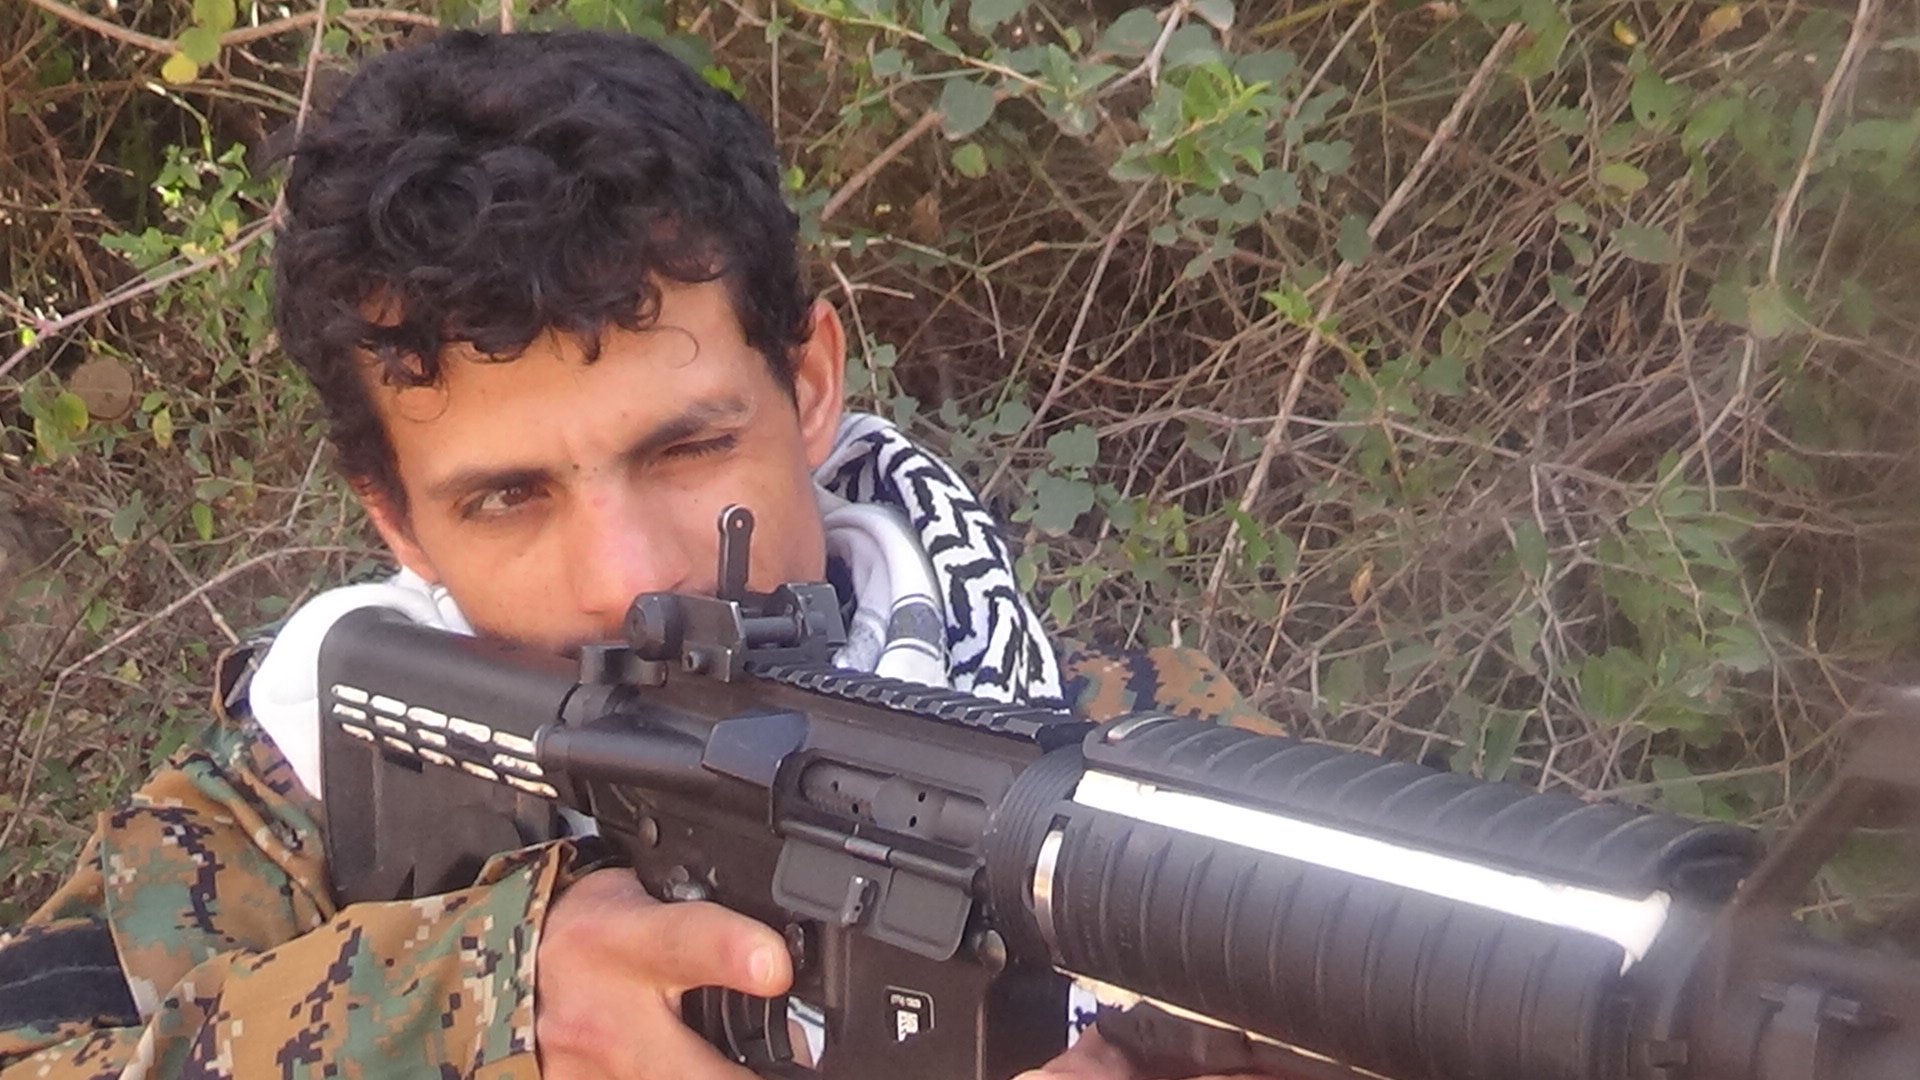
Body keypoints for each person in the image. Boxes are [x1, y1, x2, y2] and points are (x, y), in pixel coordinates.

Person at [0, 29, 1281, 1080]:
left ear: (811, 384)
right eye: (508, 498)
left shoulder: (1143, 749)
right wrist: (485, 1004)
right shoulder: (283, 807)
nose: (627, 577)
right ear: (395, 521)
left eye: (688, 449)